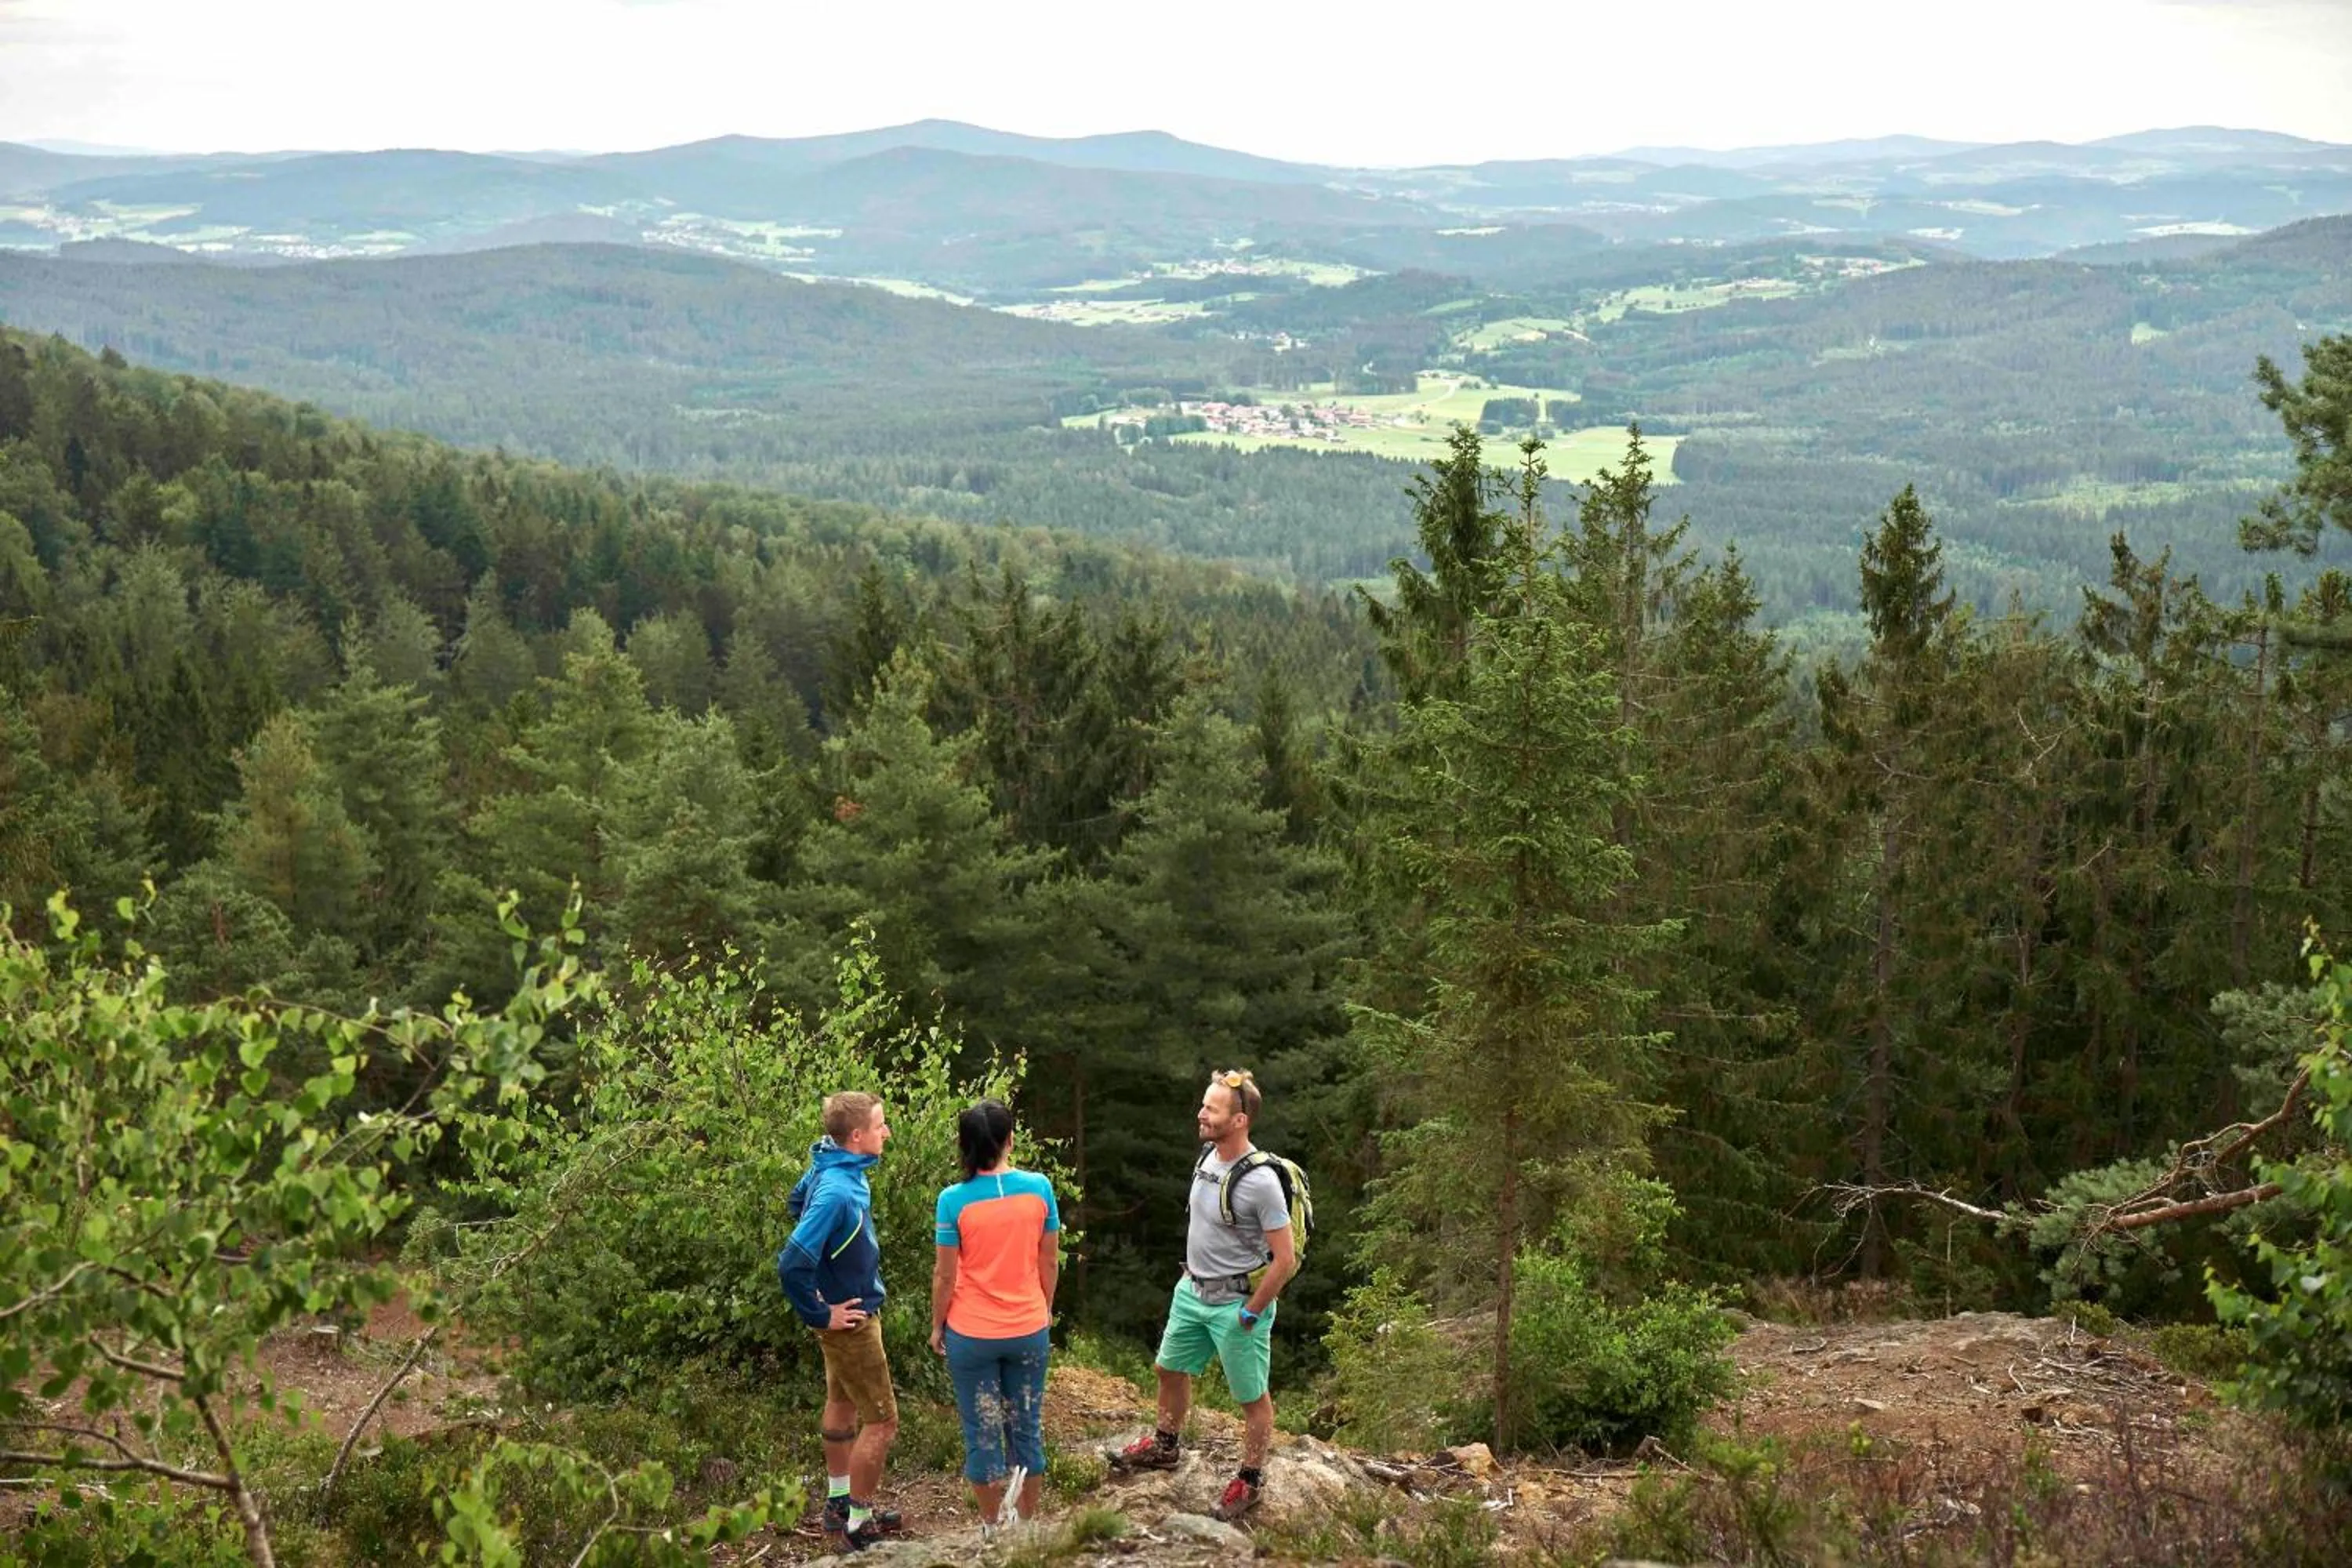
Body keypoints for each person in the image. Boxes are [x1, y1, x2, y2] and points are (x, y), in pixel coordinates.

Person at [1105, 1068, 1298, 1524]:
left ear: (1240, 1121)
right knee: (1168, 1368)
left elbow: (1284, 1259)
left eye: (1212, 1109)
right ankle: (1166, 1445)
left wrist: (1251, 1313)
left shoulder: (1263, 1182)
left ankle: (1250, 1480)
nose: (1201, 1114)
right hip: (1192, 1291)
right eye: (1204, 1104)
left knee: (1252, 1399)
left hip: (1235, 1303)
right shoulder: (1207, 1157)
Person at [778, 1091, 903, 1552]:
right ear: (857, 1136)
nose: (886, 1131)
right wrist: (820, 1311)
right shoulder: (837, 1189)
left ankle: (837, 1502)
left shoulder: (830, 1165)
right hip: (850, 1321)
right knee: (883, 1421)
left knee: (843, 1403)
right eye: (879, 1125)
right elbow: (792, 1262)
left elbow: (796, 1204)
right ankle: (858, 1524)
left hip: (841, 1313)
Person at [930, 1099, 1062, 1534]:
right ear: (1010, 1140)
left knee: (982, 1435)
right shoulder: (1039, 1188)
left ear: (963, 1145)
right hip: (1028, 1328)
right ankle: (1025, 1529)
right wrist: (1043, 1309)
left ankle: (991, 1528)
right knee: (1026, 1429)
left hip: (972, 1333)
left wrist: (937, 1325)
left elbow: (945, 1275)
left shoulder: (953, 1201)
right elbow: (1049, 1262)